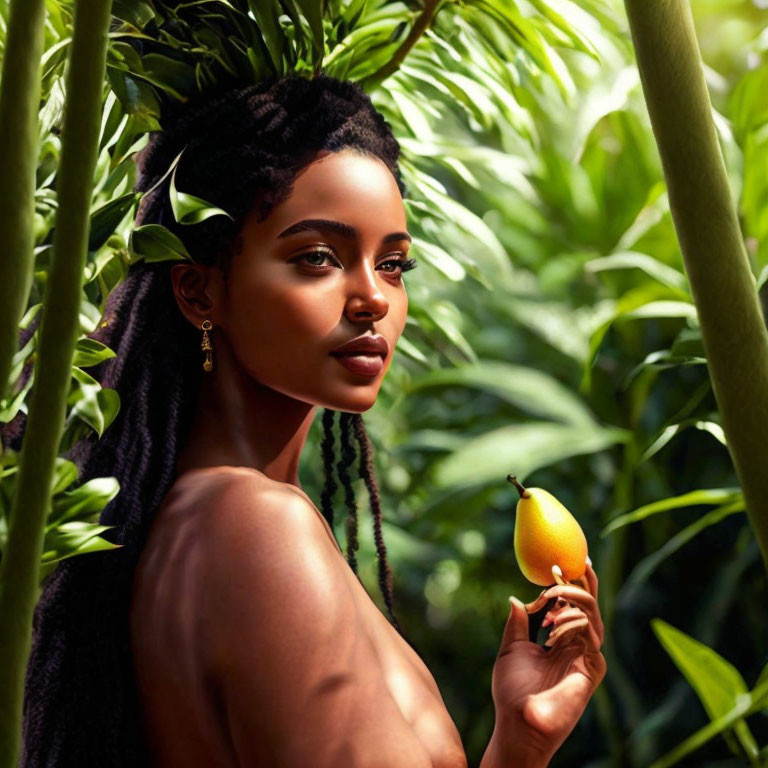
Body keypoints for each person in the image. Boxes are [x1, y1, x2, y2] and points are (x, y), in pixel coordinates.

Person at [16, 74, 605, 767]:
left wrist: (520, 743)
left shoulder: (210, 516)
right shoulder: (258, 527)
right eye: (318, 257)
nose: (372, 300)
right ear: (198, 289)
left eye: (392, 264)